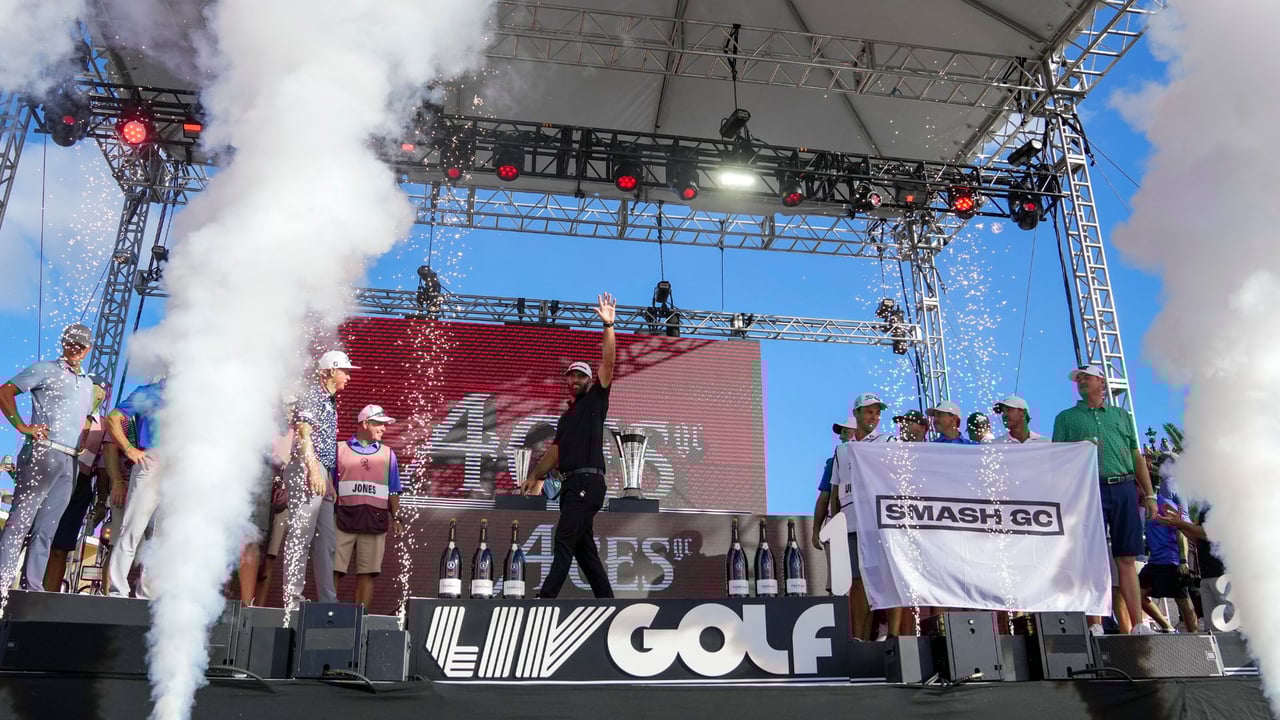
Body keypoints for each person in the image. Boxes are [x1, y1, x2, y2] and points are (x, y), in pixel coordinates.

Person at [520, 292, 617, 599]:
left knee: (563, 539)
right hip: (570, 487)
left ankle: (545, 599)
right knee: (584, 552)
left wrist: (608, 327)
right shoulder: (566, 416)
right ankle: (609, 603)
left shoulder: (596, 399)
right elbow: (555, 453)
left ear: (590, 380)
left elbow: (609, 363)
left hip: (589, 482)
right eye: (571, 376)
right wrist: (535, 477)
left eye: (581, 375)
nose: (575, 379)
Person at [1052, 364, 1156, 635]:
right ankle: (1095, 624)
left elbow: (1136, 456)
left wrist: (1150, 494)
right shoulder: (1066, 418)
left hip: (1123, 487)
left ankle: (1138, 626)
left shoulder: (1122, 415)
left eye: (1087, 377)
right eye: (1079, 379)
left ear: (1102, 382)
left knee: (1127, 558)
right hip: (1088, 491)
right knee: (1091, 557)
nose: (1082, 381)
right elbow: (1057, 461)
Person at [0, 323, 98, 592]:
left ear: (88, 348)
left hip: (70, 460)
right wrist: (22, 427)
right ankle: (2, 582)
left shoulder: (88, 384)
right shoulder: (46, 369)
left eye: (80, 345)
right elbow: (4, 391)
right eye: (71, 343)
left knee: (47, 528)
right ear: (64, 343)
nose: (75, 348)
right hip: (43, 452)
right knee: (21, 520)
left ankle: (32, 587)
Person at [283, 350, 358, 607]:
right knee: (300, 536)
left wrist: (328, 479)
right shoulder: (314, 394)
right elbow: (303, 431)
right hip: (307, 469)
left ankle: (328, 602)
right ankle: (292, 601)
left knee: (326, 541)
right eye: (345, 371)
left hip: (321, 474)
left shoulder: (329, 400)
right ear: (330, 372)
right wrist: (314, 469)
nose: (349, 376)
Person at [828, 392, 895, 640]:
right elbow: (835, 491)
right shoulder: (842, 450)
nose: (874, 417)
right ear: (856, 414)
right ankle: (859, 639)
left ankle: (888, 635)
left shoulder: (888, 441)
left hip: (879, 523)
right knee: (857, 582)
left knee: (882, 579)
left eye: (877, 412)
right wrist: (836, 525)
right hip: (851, 524)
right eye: (868, 411)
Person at [43, 376, 111, 591]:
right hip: (51, 476)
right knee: (37, 538)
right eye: (92, 389)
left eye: (100, 392)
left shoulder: (103, 426)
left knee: (60, 546)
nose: (95, 395)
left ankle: (47, 597)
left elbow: (101, 469)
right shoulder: (62, 410)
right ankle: (22, 587)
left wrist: (101, 502)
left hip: (80, 483)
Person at [333, 405, 403, 608]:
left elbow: (393, 491)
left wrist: (396, 517)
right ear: (365, 423)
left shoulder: (389, 455)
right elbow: (330, 488)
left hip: (375, 522)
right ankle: (326, 615)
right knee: (334, 570)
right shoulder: (339, 450)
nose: (384, 428)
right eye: (379, 424)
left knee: (368, 572)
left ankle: (359, 620)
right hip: (341, 520)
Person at [107, 377, 167, 598]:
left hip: (176, 469)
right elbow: (113, 418)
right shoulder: (151, 391)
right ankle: (117, 590)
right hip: (150, 462)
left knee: (160, 536)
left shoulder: (192, 396)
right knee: (133, 529)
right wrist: (129, 449)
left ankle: (146, 594)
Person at [1138, 460, 1197, 633]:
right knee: (1137, 594)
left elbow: (1180, 529)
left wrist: (1183, 560)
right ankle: (1168, 627)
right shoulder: (1145, 508)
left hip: (1171, 560)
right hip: (1155, 562)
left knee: (1183, 601)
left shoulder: (1164, 503)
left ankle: (1195, 637)